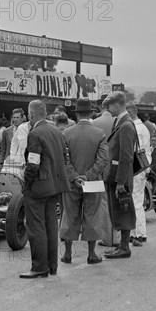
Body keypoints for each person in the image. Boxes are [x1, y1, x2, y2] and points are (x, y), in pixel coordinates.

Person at [20, 100, 70, 278]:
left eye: (28, 114)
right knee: (51, 226)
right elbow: (64, 157)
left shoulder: (35, 134)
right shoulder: (55, 130)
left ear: (32, 115)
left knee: (36, 228)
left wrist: (26, 184)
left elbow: (33, 164)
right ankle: (52, 265)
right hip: (55, 185)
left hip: (39, 187)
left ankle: (40, 266)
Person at [60, 98, 109, 265]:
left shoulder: (66, 133)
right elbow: (103, 160)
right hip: (92, 182)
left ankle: (67, 253)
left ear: (77, 113)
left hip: (71, 182)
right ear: (91, 113)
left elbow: (63, 160)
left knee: (69, 214)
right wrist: (87, 176)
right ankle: (91, 254)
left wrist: (75, 177)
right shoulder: (99, 133)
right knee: (92, 215)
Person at [102, 91, 137, 259]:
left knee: (123, 211)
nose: (108, 110)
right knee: (119, 210)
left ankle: (124, 247)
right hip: (117, 176)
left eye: (109, 106)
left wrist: (121, 183)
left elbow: (126, 157)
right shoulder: (122, 123)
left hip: (119, 177)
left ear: (116, 104)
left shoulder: (125, 125)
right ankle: (122, 246)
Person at [91, 96, 119, 248]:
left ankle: (107, 238)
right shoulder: (119, 122)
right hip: (117, 166)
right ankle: (117, 236)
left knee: (103, 202)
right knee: (116, 201)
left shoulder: (95, 123)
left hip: (101, 167)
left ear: (101, 106)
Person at [126, 102, 152, 246]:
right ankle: (140, 232)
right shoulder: (143, 128)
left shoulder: (135, 128)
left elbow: (136, 150)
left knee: (135, 200)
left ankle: (137, 233)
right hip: (144, 166)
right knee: (138, 200)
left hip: (136, 167)